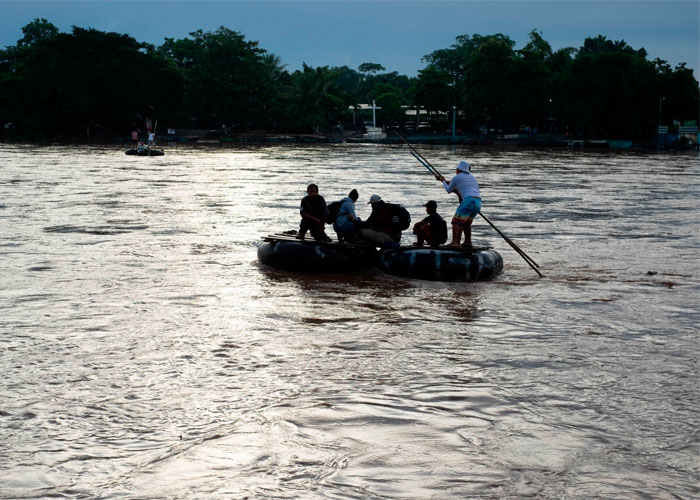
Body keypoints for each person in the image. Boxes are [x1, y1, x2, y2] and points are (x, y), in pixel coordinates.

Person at [435, 160, 481, 248]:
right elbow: (462, 187)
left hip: (468, 201)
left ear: (459, 169)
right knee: (467, 223)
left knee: (456, 222)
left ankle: (454, 242)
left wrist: (442, 181)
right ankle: (468, 242)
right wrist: (444, 180)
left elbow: (448, 190)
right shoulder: (473, 178)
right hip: (478, 202)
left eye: (456, 169)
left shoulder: (457, 177)